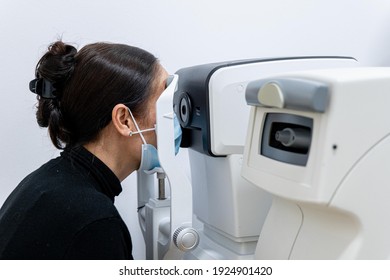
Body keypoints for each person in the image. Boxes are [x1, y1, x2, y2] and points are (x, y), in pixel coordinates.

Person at [0, 40, 169, 259]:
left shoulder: (49, 182)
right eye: (163, 103)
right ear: (124, 120)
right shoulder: (95, 223)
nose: (172, 119)